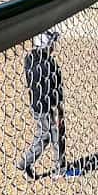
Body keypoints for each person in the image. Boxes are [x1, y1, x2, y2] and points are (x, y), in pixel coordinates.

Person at [18, 29, 81, 179]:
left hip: (37, 106)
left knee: (45, 136)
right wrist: (58, 112)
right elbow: (54, 91)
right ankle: (60, 169)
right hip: (49, 107)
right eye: (52, 43)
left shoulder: (30, 58)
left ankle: (26, 163)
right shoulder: (49, 64)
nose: (54, 46)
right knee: (55, 135)